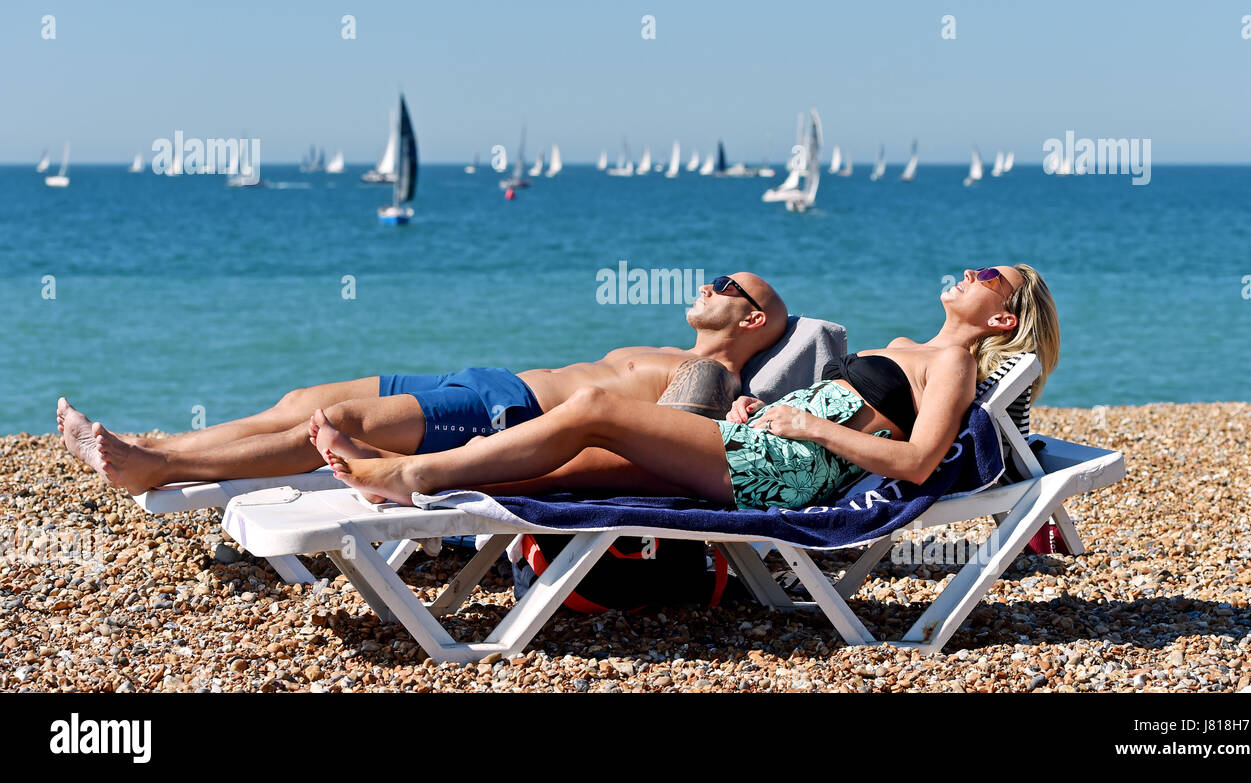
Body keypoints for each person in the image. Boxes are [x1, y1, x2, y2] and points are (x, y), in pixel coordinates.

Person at [316, 265, 1059, 510]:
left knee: (599, 409)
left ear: (1000, 316)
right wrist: (767, 407)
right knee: (575, 474)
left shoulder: (955, 365)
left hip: (786, 468)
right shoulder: (913, 348)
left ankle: (408, 475)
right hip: (763, 440)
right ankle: (440, 497)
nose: (968, 272)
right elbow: (858, 409)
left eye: (986, 276)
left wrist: (810, 430)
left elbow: (919, 461)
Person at [57, 273, 788, 495]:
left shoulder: (713, 379)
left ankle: (157, 466)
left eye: (724, 284)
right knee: (301, 402)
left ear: (753, 317)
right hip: (489, 381)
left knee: (339, 423)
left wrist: (516, 477)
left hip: (508, 413)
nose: (705, 282)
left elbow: (647, 460)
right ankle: (152, 441)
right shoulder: (669, 350)